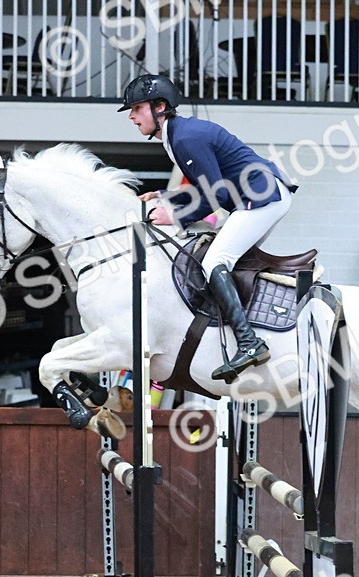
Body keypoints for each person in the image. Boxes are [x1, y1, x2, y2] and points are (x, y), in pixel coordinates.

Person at [118, 73, 298, 382]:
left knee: (215, 260)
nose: (132, 116)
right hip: (260, 195)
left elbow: (216, 196)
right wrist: (164, 195)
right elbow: (209, 187)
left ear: (160, 107)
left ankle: (249, 342)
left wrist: (176, 216)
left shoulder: (184, 138)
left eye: (137, 108)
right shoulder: (177, 134)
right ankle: (236, 331)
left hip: (261, 197)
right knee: (227, 262)